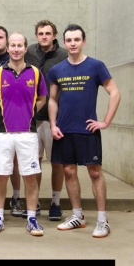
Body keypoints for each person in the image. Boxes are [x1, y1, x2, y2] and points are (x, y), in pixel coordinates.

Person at [48, 24, 121, 238]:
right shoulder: (56, 70)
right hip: (64, 130)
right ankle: (77, 216)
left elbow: (114, 93)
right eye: (69, 40)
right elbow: (52, 99)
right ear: (63, 42)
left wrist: (105, 122)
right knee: (69, 171)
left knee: (95, 172)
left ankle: (102, 220)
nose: (72, 43)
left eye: (76, 40)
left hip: (88, 130)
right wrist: (53, 124)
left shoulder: (96, 66)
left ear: (84, 41)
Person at [0, 32, 47, 236]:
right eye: (12, 45)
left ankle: (31, 218)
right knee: (1, 176)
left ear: (25, 48)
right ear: (8, 47)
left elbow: (42, 99)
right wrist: (7, 114)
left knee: (30, 177)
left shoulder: (36, 73)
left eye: (20, 45)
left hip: (28, 134)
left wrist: (28, 114)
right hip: (4, 133)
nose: (16, 49)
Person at [19, 19, 68, 221]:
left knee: (57, 162)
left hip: (55, 118)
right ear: (37, 35)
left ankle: (55, 202)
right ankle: (34, 200)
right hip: (32, 118)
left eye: (48, 33)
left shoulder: (64, 55)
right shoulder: (29, 51)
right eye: (41, 33)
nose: (44, 36)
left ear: (54, 35)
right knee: (34, 163)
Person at [0, 26, 25, 217]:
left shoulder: (19, 61)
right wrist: (1, 113)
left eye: (1, 37)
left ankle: (17, 198)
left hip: (19, 121)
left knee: (16, 160)